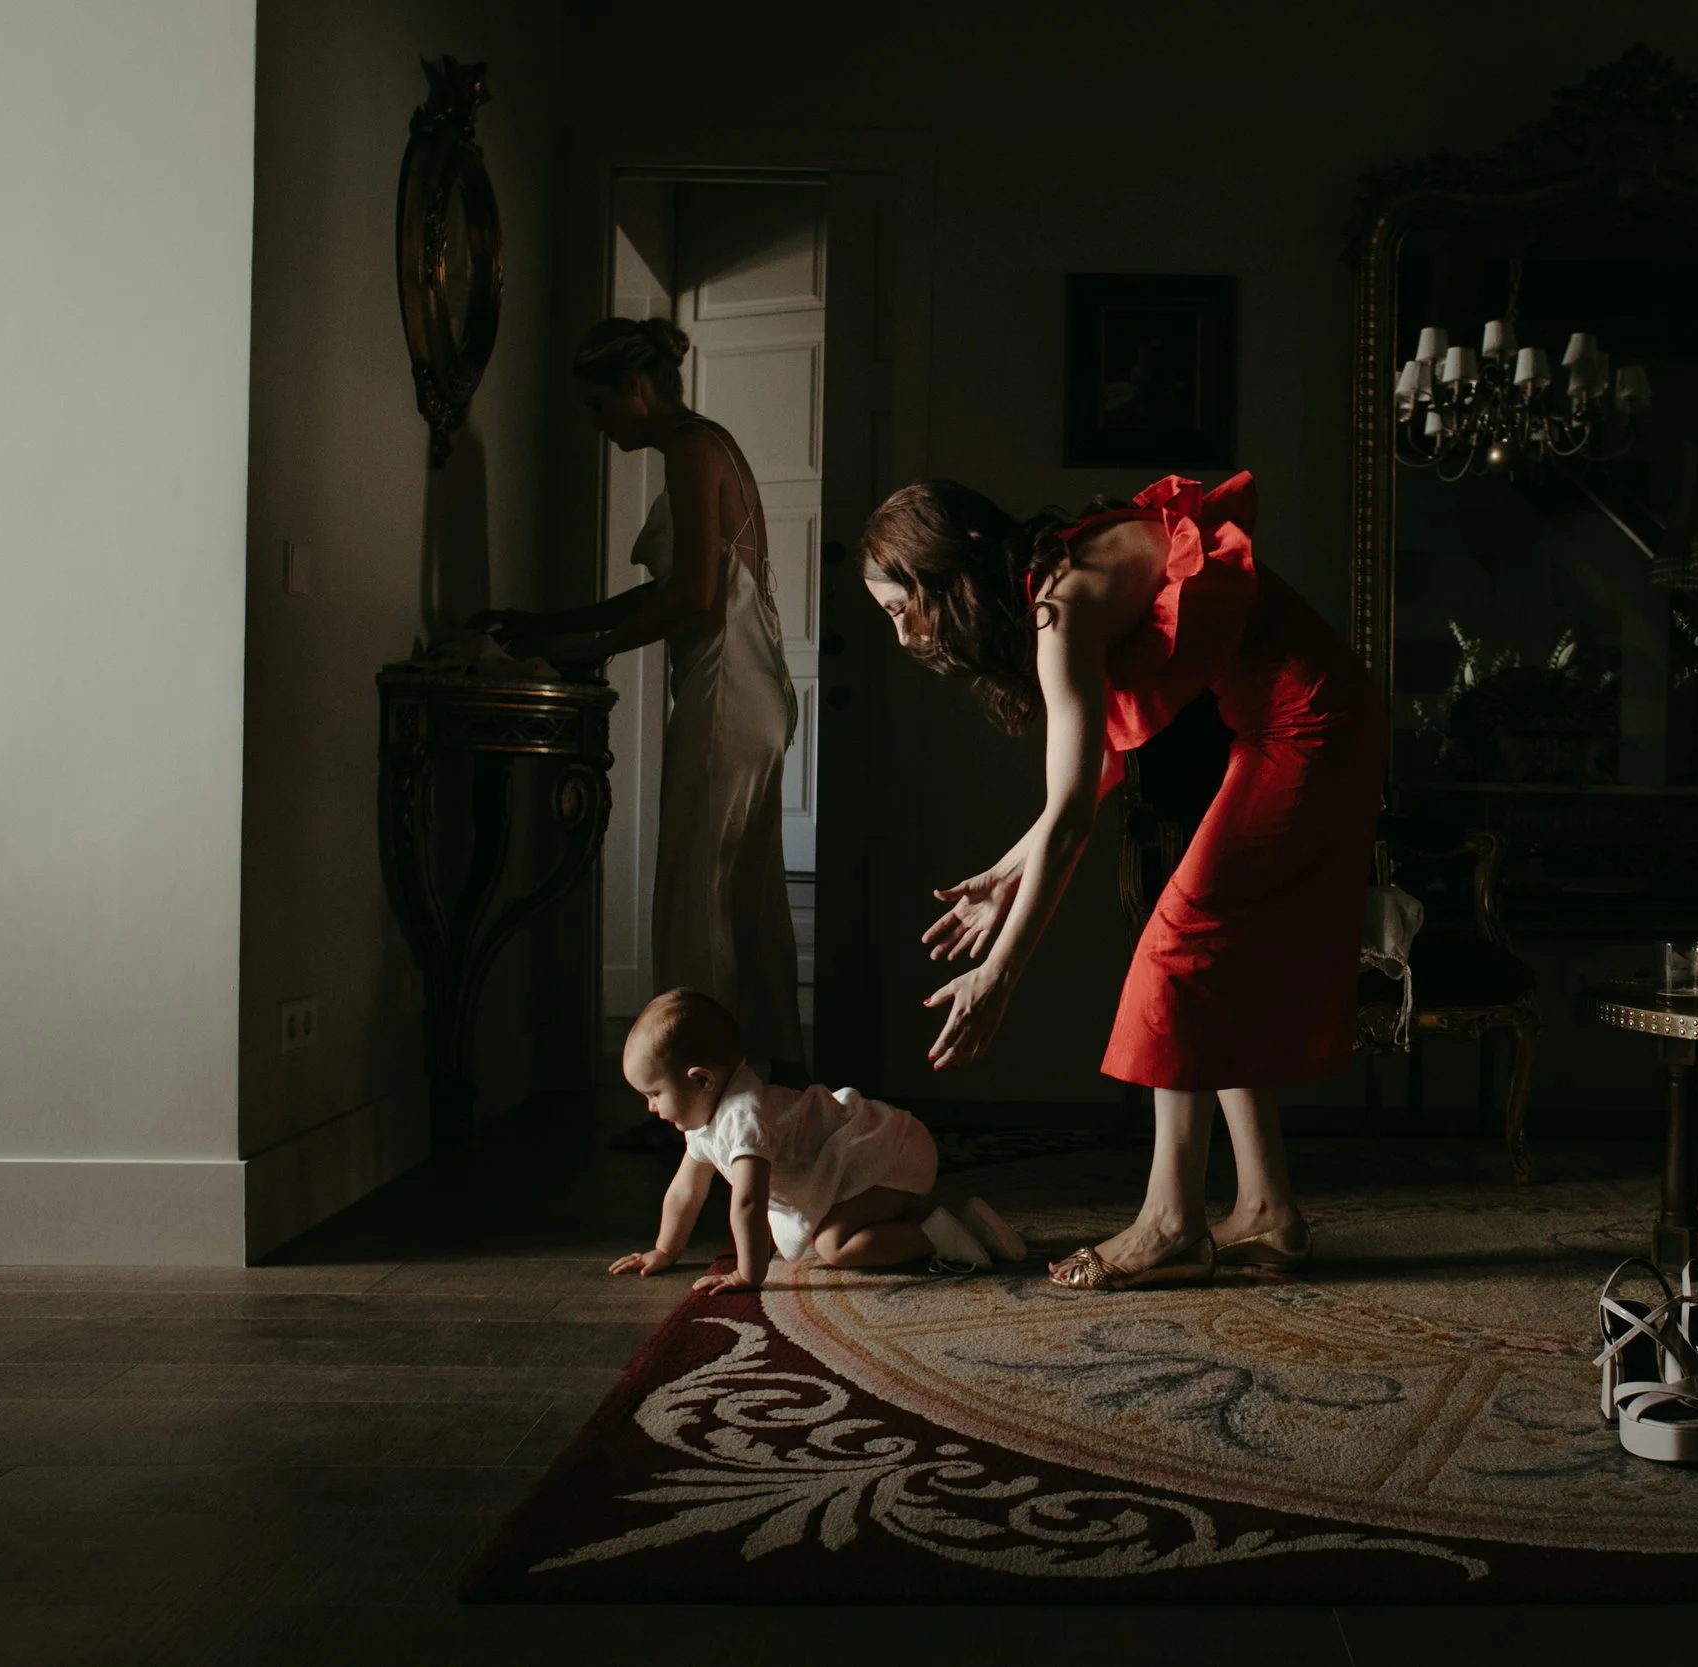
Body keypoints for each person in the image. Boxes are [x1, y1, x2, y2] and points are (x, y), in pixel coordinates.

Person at [859, 473, 1385, 1291]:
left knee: (1180, 946)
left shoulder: (1059, 608)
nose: (900, 636)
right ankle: (1268, 1212)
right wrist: (1007, 870)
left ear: (941, 573)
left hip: (1311, 726)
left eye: (898, 610)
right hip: (1292, 721)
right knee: (1218, 956)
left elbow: (1071, 815)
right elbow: (1096, 765)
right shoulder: (1059, 573)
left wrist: (998, 975)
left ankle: (1173, 1223)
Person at [479, 317, 804, 1088]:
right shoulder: (704, 444)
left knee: (698, 892)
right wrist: (554, 625)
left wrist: (588, 651)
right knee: (743, 895)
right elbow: (673, 587)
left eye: (599, 406)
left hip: (728, 686)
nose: (599, 425)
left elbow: (691, 596)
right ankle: (770, 1087)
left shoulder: (693, 448)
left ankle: (701, 1097)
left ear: (636, 387)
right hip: (749, 687)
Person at [608, 989, 1023, 1290]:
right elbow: (686, 1191)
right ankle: (940, 1219)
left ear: (701, 1080)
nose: (651, 1108)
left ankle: (946, 1232)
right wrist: (664, 1250)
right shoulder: (706, 1120)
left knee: (835, 1245)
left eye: (654, 1095)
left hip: (884, 1154)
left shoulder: (745, 1118)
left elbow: (749, 1202)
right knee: (832, 1234)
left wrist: (748, 1275)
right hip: (851, 1168)